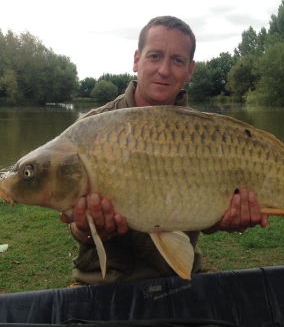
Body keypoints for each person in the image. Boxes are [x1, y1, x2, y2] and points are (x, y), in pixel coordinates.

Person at [60, 16, 268, 285]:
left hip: (179, 279)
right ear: (137, 59)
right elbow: (73, 224)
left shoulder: (206, 134)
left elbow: (203, 215)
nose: (164, 70)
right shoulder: (89, 130)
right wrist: (86, 228)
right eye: (155, 56)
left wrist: (224, 220)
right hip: (102, 283)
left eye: (177, 60)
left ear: (190, 70)